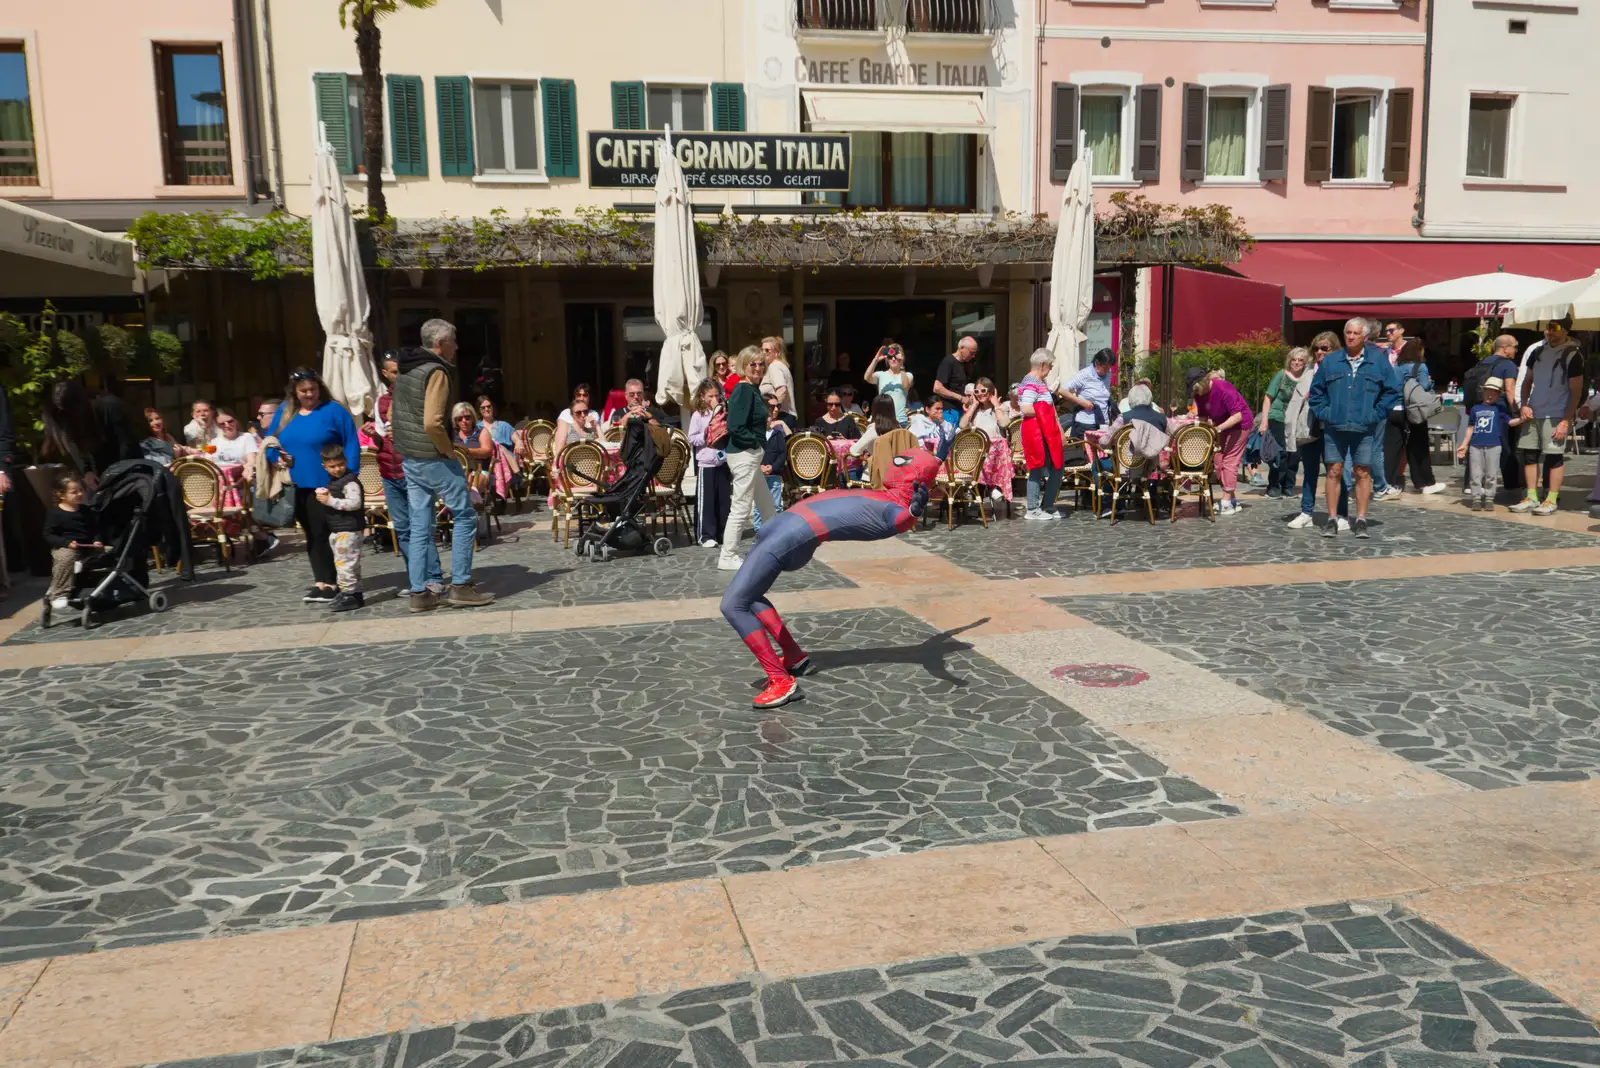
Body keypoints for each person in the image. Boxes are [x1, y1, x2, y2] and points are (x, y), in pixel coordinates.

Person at [721, 449, 941, 709]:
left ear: (914, 475)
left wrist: (913, 513)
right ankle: (794, 657)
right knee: (751, 595)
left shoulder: (891, 511)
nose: (894, 463)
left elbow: (899, 522)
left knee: (734, 605)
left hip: (791, 537)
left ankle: (781, 682)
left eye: (903, 462)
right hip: (782, 529)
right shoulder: (882, 495)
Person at [392, 319, 494, 611]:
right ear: (441, 344)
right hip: (432, 457)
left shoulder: (406, 367)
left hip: (410, 457)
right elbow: (433, 422)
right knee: (464, 516)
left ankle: (418, 592)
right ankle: (460, 585)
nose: (457, 347)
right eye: (453, 341)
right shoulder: (436, 371)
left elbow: (397, 415)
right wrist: (448, 450)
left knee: (420, 523)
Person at [261, 368, 361, 603]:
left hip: (329, 484)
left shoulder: (334, 410)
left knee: (331, 533)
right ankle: (321, 581)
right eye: (303, 390)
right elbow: (270, 442)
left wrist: (350, 476)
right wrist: (276, 458)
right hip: (297, 484)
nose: (309, 394)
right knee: (312, 533)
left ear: (319, 388)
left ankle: (336, 582)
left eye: (312, 389)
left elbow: (351, 442)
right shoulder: (286, 412)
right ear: (294, 392)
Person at [1308, 318, 1399, 539]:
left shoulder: (1378, 361)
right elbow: (1316, 392)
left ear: (1365, 336)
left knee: (1362, 472)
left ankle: (1361, 519)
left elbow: (1392, 391)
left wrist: (1375, 415)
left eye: (1355, 333)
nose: (1350, 337)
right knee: (1334, 471)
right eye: (1347, 332)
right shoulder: (1331, 362)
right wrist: (1326, 413)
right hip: (1335, 426)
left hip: (1364, 427)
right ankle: (1332, 519)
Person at [1509, 315, 1585, 516]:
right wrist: (1523, 404)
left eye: (1555, 327)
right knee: (1529, 454)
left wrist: (1566, 420)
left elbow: (1576, 390)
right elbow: (1527, 381)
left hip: (1556, 412)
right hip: (1534, 410)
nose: (1550, 331)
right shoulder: (1537, 351)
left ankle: (1551, 499)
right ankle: (1531, 496)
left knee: (1554, 456)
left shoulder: (1572, 355)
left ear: (1565, 330)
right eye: (1548, 327)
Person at [719, 345, 778, 571]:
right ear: (744, 366)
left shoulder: (752, 388)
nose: (757, 367)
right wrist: (754, 444)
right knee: (741, 507)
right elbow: (734, 426)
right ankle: (727, 555)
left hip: (750, 454)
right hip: (745, 454)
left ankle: (774, 543)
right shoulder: (744, 389)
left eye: (761, 363)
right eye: (752, 363)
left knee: (765, 505)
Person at [40, 379, 140, 492]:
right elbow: (73, 443)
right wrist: (87, 471)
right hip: (100, 477)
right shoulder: (67, 416)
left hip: (127, 472)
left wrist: (116, 474)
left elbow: (128, 444)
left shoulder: (110, 406)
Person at [1188, 365, 1254, 516]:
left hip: (1240, 425)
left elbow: (1238, 416)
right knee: (1218, 460)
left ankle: (1226, 502)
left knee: (1229, 461)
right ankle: (1232, 500)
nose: (1197, 392)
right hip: (1221, 426)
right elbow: (1204, 416)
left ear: (1206, 380)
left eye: (1198, 387)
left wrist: (1217, 429)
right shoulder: (1198, 394)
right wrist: (1201, 430)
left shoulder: (1223, 387)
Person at [314, 443, 365, 613]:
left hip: (348, 529)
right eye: (332, 467)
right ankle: (355, 592)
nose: (337, 469)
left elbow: (354, 503)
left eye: (340, 465)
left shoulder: (349, 483)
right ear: (325, 467)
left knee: (345, 564)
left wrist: (330, 501)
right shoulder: (336, 481)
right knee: (349, 563)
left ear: (346, 461)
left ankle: (349, 593)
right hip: (339, 528)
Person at [1388, 339, 1444, 495]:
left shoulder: (1396, 368)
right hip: (1414, 412)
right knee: (1418, 448)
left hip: (1394, 411)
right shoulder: (1420, 367)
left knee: (1392, 449)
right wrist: (1431, 384)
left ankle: (1390, 483)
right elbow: (1424, 386)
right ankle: (1424, 482)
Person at [43, 473, 102, 611]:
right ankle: (60, 593)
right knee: (65, 557)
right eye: (74, 492)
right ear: (61, 495)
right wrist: (66, 543)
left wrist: (97, 540)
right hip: (66, 547)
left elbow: (95, 529)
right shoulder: (55, 513)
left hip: (87, 546)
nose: (80, 494)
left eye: (81, 490)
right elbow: (48, 535)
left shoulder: (86, 511)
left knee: (113, 551)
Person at [1458, 377, 1518, 511]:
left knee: (1492, 473)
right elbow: (1470, 427)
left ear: (1498, 395)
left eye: (1494, 392)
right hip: (1476, 445)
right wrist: (1464, 444)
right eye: (1488, 391)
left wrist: (1522, 419)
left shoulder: (1500, 409)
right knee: (1475, 473)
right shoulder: (1475, 408)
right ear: (1483, 392)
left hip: (1494, 444)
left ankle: (1490, 497)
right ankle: (1476, 498)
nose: (1490, 395)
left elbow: (1510, 422)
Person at [1281, 346, 1325, 530]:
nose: (1320, 351)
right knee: (1309, 471)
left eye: (1325, 348)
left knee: (1338, 471)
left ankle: (1339, 514)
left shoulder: (1341, 371)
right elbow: (1295, 402)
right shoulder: (1309, 373)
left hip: (1334, 428)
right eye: (1317, 348)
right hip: (1309, 428)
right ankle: (1306, 511)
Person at [1018, 350, 1064, 521]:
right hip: (1036, 431)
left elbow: (1050, 408)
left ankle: (1047, 505)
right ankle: (1032, 508)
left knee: (1057, 467)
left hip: (1046, 430)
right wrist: (1046, 415)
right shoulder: (1030, 382)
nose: (1051, 369)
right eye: (1050, 366)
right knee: (1037, 468)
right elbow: (1026, 408)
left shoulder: (1040, 381)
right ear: (1042, 364)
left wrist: (1058, 429)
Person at [1259, 349, 1308, 500]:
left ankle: (1289, 486)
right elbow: (1268, 398)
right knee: (1281, 453)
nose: (1297, 362)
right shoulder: (1281, 375)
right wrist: (1264, 421)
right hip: (1278, 417)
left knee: (1295, 454)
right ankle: (1274, 485)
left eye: (1300, 360)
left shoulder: (1307, 378)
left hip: (1297, 419)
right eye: (1294, 359)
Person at [688, 379, 730, 548]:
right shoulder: (698, 415)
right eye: (710, 396)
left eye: (716, 395)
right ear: (703, 396)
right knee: (707, 501)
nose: (714, 399)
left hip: (722, 461)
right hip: (706, 463)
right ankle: (705, 535)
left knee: (723, 500)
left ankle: (722, 532)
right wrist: (706, 435)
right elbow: (692, 437)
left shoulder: (724, 412)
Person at [752, 390, 790, 531]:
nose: (773, 414)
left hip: (774, 475)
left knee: (776, 503)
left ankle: (776, 527)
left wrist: (773, 467)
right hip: (759, 474)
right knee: (758, 504)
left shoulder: (777, 433)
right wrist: (759, 467)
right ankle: (758, 528)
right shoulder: (756, 433)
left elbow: (783, 453)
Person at [1061, 350, 1115, 434]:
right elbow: (1062, 390)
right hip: (1086, 423)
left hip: (1103, 422)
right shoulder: (1084, 374)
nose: (1108, 371)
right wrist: (1081, 402)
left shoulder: (1108, 373)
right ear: (1097, 364)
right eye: (1105, 368)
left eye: (1109, 368)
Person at [934, 336, 978, 426]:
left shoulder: (966, 364)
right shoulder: (948, 361)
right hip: (949, 411)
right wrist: (960, 398)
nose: (973, 356)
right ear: (962, 348)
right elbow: (937, 388)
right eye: (971, 352)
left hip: (961, 410)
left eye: (975, 353)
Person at [864, 342, 912, 426]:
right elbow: (867, 378)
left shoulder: (908, 375)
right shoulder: (881, 375)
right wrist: (876, 360)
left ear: (902, 358)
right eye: (890, 357)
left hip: (900, 420)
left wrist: (901, 365)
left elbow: (905, 386)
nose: (893, 359)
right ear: (886, 359)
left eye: (896, 357)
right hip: (883, 421)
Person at [848, 395, 901, 462]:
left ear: (874, 409)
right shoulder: (898, 426)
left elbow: (854, 451)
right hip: (897, 467)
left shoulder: (875, 428)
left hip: (877, 469)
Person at [761, 336, 797, 420]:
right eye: (762, 350)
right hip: (785, 415)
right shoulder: (779, 366)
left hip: (780, 416)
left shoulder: (774, 366)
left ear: (777, 353)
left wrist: (775, 408)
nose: (763, 353)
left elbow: (781, 389)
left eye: (767, 350)